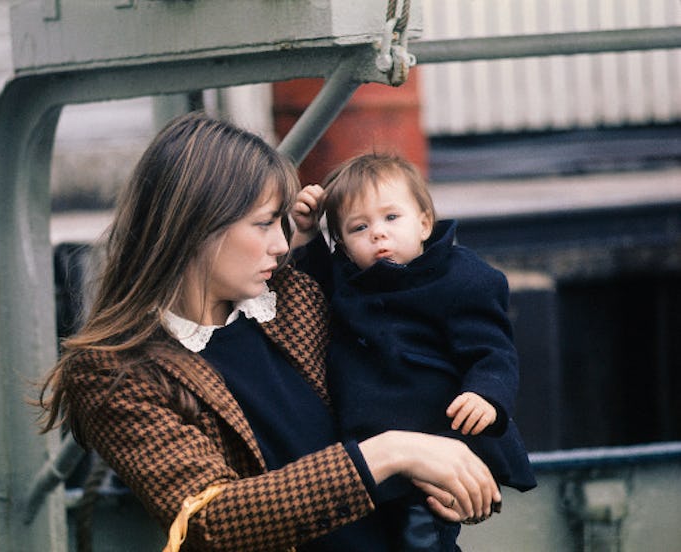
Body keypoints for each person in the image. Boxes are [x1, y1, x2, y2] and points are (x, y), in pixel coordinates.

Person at [39, 113, 501, 552]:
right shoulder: (112, 373)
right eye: (263, 224)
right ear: (194, 227)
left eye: (281, 224)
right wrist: (391, 454)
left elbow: (411, 365)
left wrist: (450, 474)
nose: (281, 245)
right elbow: (209, 520)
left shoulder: (295, 299)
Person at [291, 153, 537, 551]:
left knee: (420, 533)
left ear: (424, 223)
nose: (378, 234)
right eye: (359, 227)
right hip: (368, 444)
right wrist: (306, 232)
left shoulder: (460, 279)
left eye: (392, 218)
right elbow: (316, 280)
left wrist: (486, 396)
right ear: (344, 246)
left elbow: (492, 350)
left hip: (435, 435)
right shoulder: (351, 281)